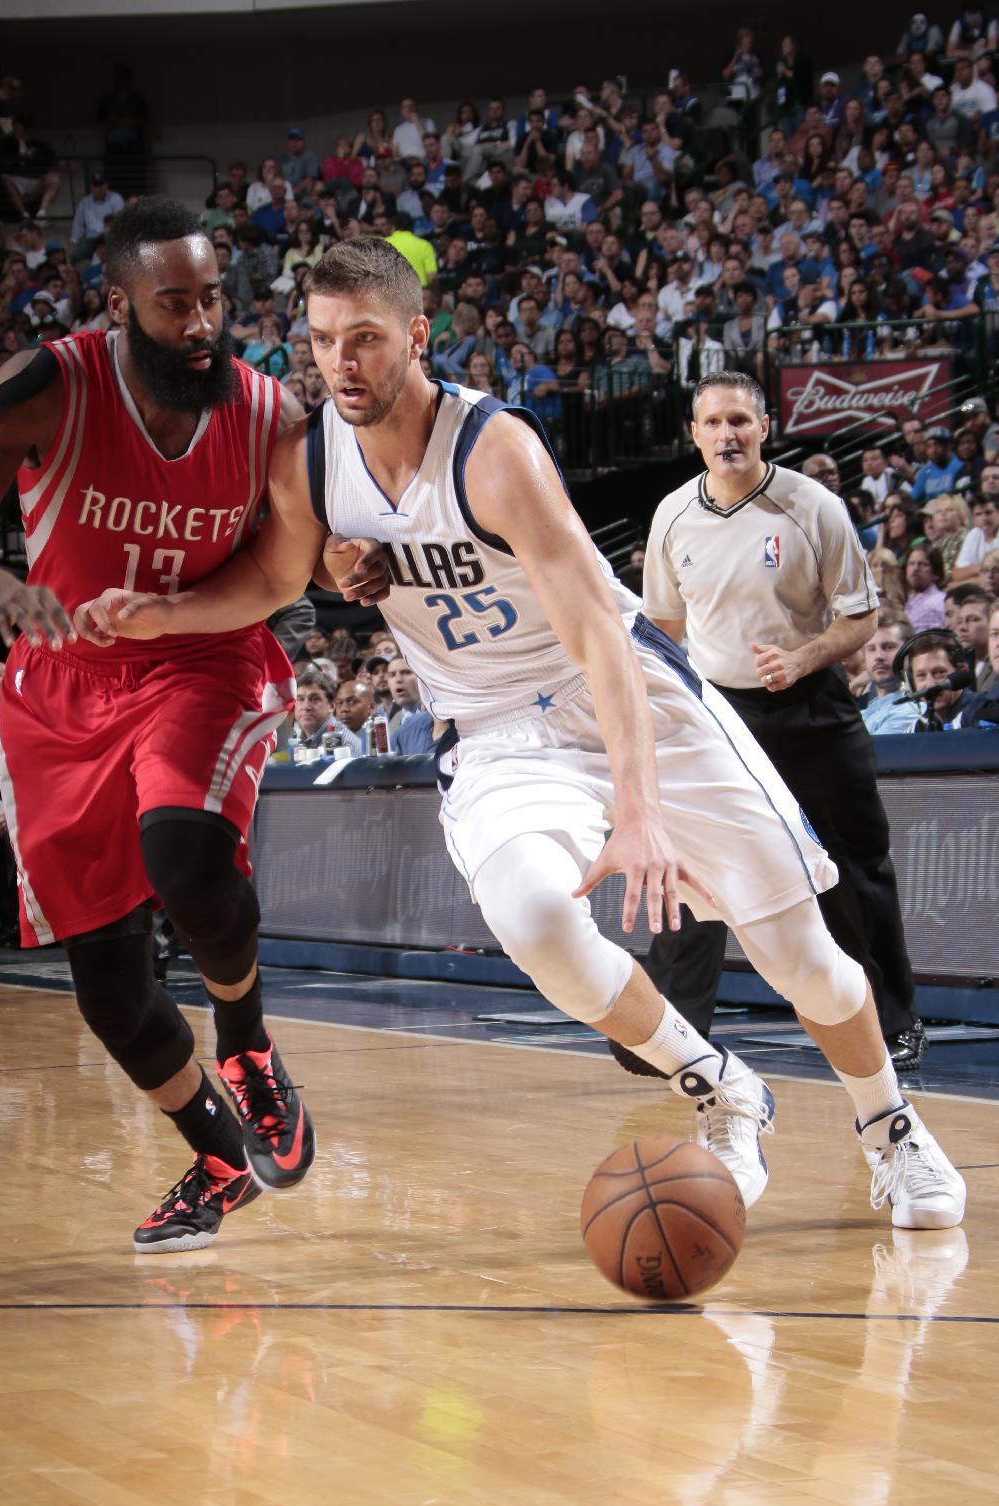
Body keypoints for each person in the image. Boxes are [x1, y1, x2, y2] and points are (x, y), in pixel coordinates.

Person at [76, 239, 965, 1232]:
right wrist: (167, 611)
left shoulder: (493, 452)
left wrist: (637, 815)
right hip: (493, 726)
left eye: (364, 338)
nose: (342, 362)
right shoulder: (310, 458)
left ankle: (887, 1124)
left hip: (625, 692)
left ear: (415, 337)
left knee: (802, 957)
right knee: (531, 917)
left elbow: (598, 633)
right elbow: (276, 578)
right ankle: (720, 1085)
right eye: (323, 341)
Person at [0, 197, 390, 1252]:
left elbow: (294, 560)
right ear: (117, 302)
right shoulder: (51, 385)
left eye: (214, 295)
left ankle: (251, 1048)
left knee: (183, 854)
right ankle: (218, 1154)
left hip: (203, 658)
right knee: (110, 990)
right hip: (62, 691)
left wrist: (346, 560)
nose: (204, 320)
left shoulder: (269, 415)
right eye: (175, 303)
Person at [642, 371, 930, 1074]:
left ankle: (891, 1021)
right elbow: (663, 625)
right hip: (719, 712)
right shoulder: (673, 515)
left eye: (740, 420)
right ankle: (668, 1035)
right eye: (713, 423)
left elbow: (861, 616)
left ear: (764, 426)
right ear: (695, 434)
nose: (727, 434)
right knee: (696, 871)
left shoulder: (814, 506)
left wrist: (802, 659)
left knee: (856, 865)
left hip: (810, 703)